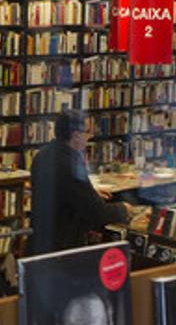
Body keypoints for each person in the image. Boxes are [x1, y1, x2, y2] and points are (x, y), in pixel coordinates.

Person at [29, 110, 133, 256]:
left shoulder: (43, 155)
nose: (89, 137)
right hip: (63, 247)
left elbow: (62, 191)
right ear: (76, 135)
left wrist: (91, 192)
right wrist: (123, 209)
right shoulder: (71, 163)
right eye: (87, 132)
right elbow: (97, 213)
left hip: (41, 240)